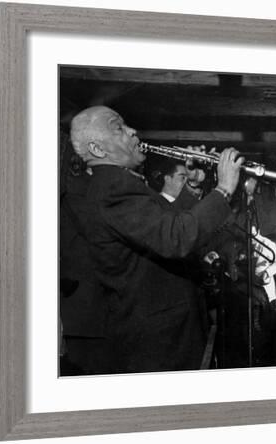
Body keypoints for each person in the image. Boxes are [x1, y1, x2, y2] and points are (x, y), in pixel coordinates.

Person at [68, 105, 243, 374]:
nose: (132, 131)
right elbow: (176, 237)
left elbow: (167, 220)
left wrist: (194, 186)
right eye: (119, 127)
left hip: (166, 332)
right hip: (159, 342)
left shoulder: (120, 184)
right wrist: (223, 189)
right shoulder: (112, 188)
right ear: (98, 149)